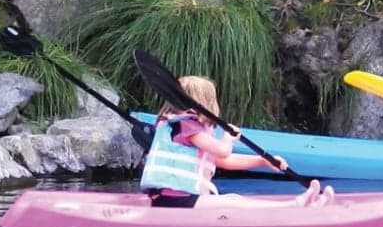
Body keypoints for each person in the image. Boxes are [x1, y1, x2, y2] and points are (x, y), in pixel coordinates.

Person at [138, 75, 331, 208]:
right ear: (206, 103)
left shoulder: (189, 128)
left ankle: (299, 204)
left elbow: (221, 161)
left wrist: (262, 161)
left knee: (232, 199)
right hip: (174, 200)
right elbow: (223, 152)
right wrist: (228, 136)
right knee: (233, 200)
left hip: (181, 198)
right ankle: (294, 206)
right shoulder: (187, 128)